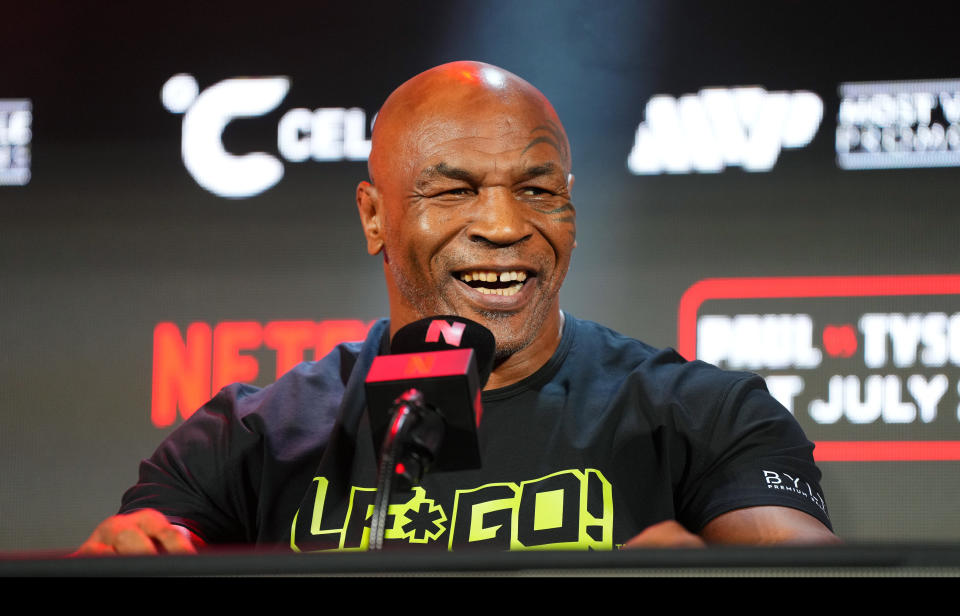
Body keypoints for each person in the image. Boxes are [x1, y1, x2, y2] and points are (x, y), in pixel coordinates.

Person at [76, 61, 838, 555]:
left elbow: (810, 572)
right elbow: (138, 553)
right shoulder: (247, 437)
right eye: (455, 190)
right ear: (374, 216)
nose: (507, 227)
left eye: (539, 191)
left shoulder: (706, 413)